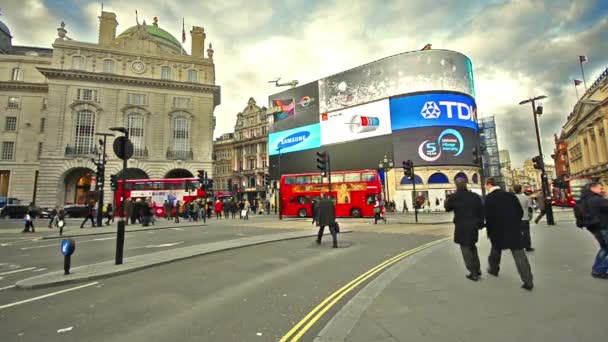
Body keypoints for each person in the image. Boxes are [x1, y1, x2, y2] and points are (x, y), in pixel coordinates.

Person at [484, 178, 534, 290]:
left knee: (495, 250)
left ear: (489, 185)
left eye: (486, 186)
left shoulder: (489, 199)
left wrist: (490, 232)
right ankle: (528, 281)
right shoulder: (511, 196)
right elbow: (520, 212)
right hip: (513, 230)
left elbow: (488, 218)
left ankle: (493, 270)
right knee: (520, 255)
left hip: (497, 231)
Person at [445, 178, 484, 281]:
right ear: (466, 184)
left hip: (461, 226)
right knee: (472, 247)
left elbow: (447, 208)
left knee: (465, 248)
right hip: (473, 226)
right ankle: (477, 269)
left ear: (456, 185)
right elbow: (481, 211)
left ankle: (473, 273)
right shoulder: (474, 196)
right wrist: (480, 224)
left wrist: (447, 199)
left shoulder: (454, 197)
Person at [578, 182, 608, 279]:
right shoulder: (597, 199)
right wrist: (604, 197)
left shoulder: (585, 199)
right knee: (605, 248)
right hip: (603, 227)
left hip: (594, 227)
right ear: (593, 188)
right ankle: (600, 270)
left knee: (604, 248)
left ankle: (596, 269)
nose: (602, 190)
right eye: (600, 188)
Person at [514, 184, 534, 252]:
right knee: (526, 233)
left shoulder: (512, 197)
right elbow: (529, 207)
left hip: (516, 218)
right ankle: (527, 247)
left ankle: (518, 246)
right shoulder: (526, 197)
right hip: (525, 217)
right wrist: (530, 215)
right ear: (521, 189)